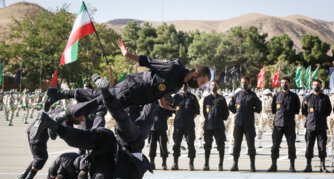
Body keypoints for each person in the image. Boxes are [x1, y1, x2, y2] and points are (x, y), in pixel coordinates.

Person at [44, 39, 210, 112]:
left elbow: (161, 89)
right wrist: (126, 54)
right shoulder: (174, 68)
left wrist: (162, 103)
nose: (200, 86)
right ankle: (60, 116)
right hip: (133, 87)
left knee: (101, 99)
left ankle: (59, 95)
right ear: (196, 73)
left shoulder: (180, 84)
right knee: (102, 102)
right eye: (201, 82)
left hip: (137, 98)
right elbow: (148, 61)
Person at [29, 112, 116, 179]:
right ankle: (51, 122)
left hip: (105, 145)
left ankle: (99, 114)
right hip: (102, 143)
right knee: (76, 139)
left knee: (91, 134)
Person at [228, 76, 262, 172]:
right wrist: (237, 112)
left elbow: (259, 107)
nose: (244, 84)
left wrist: (251, 111)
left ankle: (252, 165)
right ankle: (235, 164)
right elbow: (230, 105)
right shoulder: (237, 94)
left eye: (246, 82)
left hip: (249, 123)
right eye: (243, 82)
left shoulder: (253, 95)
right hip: (238, 123)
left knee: (251, 144)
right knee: (236, 144)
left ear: (249, 83)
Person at [268, 77, 300, 172]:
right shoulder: (277, 95)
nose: (284, 84)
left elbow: (296, 110)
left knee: (291, 145)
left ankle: (292, 166)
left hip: (289, 124)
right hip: (278, 124)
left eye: (286, 82)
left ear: (289, 84)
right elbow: (274, 109)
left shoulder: (294, 96)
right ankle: (274, 165)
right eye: (282, 82)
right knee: (275, 145)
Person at [302, 79, 331, 172]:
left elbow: (328, 111)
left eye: (318, 85)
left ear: (321, 86)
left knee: (322, 147)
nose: (316, 86)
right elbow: (304, 111)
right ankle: (308, 166)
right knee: (309, 146)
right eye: (314, 84)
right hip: (310, 126)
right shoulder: (307, 98)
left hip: (321, 126)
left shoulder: (325, 98)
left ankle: (322, 166)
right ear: (312, 86)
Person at [171, 84, 200, 171]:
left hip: (189, 125)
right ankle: (175, 163)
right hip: (178, 125)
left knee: (190, 144)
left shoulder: (192, 97)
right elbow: (172, 109)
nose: (184, 86)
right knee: (176, 144)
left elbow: (196, 112)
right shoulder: (176, 97)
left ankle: (191, 163)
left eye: (186, 85)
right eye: (183, 85)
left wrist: (188, 118)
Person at [202, 80, 229, 171]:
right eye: (212, 85)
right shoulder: (207, 99)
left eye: (215, 85)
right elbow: (204, 112)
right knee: (207, 146)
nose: (213, 86)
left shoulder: (221, 99)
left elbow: (226, 113)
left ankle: (220, 164)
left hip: (219, 126)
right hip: (208, 126)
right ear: (210, 87)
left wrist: (220, 118)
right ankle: (206, 164)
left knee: (221, 146)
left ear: (218, 86)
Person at [149, 101, 173, 170]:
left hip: (162, 127)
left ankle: (164, 163)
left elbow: (168, 114)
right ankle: (152, 163)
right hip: (152, 128)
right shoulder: (150, 102)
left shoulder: (164, 101)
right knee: (152, 146)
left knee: (163, 146)